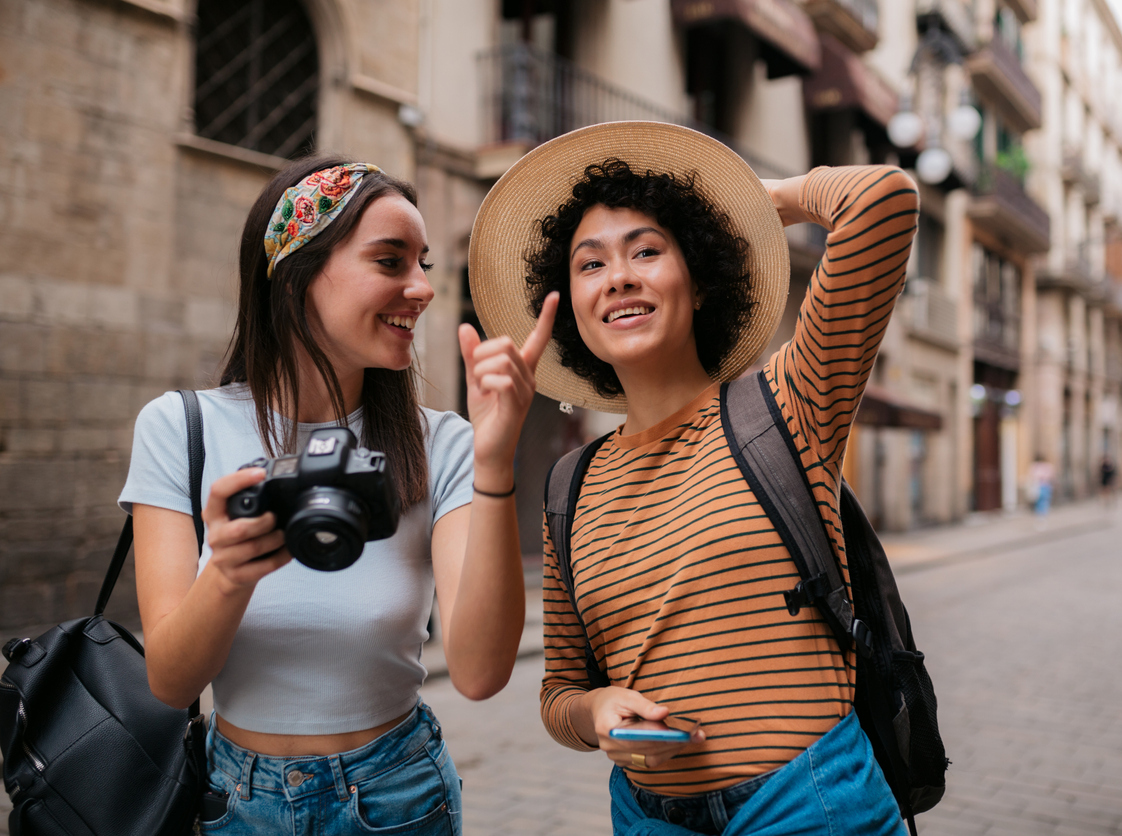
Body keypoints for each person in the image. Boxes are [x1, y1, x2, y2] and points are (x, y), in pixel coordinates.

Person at [468, 122, 919, 835]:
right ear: (573, 311)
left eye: (647, 251)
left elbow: (883, 200)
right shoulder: (569, 485)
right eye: (590, 265)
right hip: (649, 818)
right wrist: (596, 714)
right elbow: (560, 691)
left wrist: (755, 202)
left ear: (700, 281)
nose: (618, 276)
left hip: (810, 804)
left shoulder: (789, 405)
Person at [119, 157, 557, 835]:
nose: (423, 289)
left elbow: (476, 673)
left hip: (397, 797)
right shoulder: (180, 428)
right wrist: (229, 573)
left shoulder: (438, 443)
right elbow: (172, 682)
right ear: (295, 278)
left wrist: (494, 461)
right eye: (390, 261)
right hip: (235, 802)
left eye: (423, 264)